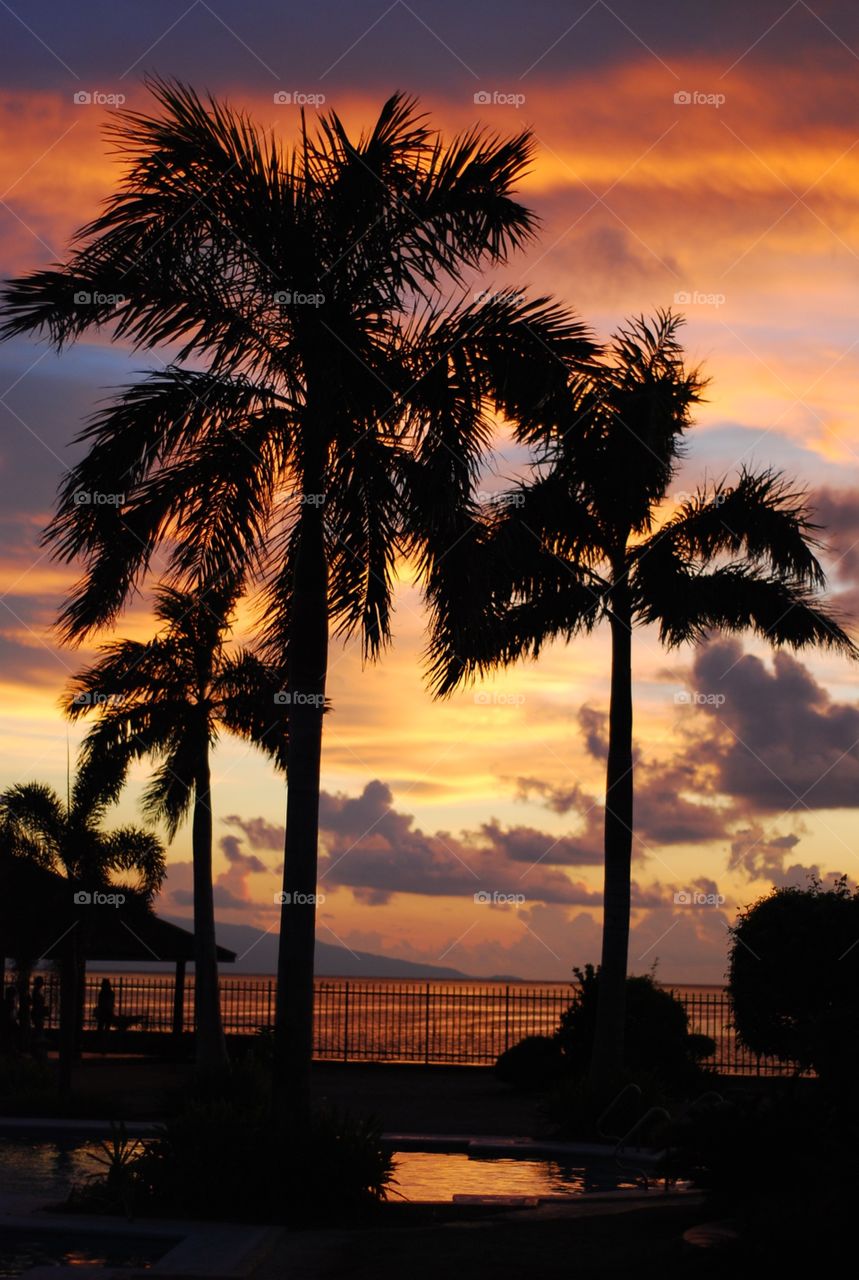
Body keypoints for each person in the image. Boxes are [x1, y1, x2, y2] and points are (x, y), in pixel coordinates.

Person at [95, 977, 115, 1049]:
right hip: (108, 1012)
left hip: (104, 1012)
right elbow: (111, 1003)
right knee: (106, 1029)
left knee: (101, 1028)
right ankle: (105, 1043)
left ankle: (101, 1043)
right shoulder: (111, 993)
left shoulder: (102, 993)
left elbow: (100, 1003)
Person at [1, 983, 17, 1053]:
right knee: (9, 1036)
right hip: (9, 1023)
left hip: (6, 1023)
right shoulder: (10, 1002)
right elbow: (11, 1015)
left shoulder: (5, 1002)